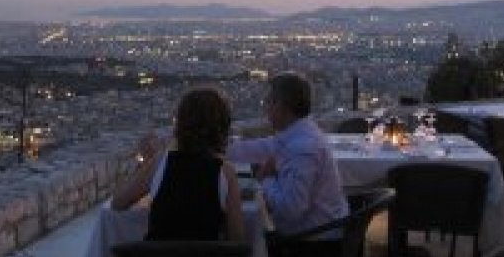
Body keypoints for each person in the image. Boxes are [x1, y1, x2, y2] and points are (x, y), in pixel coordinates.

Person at [111, 86, 246, 241]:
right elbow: (238, 238)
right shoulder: (225, 172)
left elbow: (118, 203)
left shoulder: (161, 163)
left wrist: (143, 166)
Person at [227, 71, 348, 237]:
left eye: (268, 101)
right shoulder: (302, 133)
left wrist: (267, 179)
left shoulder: (302, 148)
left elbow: (291, 210)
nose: (265, 107)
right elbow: (267, 146)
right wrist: (227, 150)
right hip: (320, 226)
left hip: (312, 239)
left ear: (281, 106)